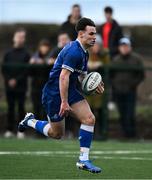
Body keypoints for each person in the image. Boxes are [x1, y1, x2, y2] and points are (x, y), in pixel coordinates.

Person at [18, 18, 104, 173]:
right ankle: (30, 121)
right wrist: (64, 102)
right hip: (54, 94)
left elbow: (81, 77)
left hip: (69, 90)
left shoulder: (84, 53)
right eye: (91, 33)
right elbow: (63, 77)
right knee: (56, 133)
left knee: (89, 119)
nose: (94, 37)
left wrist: (94, 83)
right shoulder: (74, 51)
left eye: (95, 34)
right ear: (81, 34)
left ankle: (83, 160)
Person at [111, 37, 145, 138]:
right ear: (119, 48)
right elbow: (111, 75)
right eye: (122, 46)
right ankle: (125, 135)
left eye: (126, 46)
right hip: (118, 92)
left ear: (130, 47)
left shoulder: (136, 59)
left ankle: (132, 135)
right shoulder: (116, 59)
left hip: (130, 92)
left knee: (130, 114)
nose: (124, 48)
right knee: (122, 114)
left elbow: (141, 75)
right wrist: (115, 85)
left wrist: (132, 85)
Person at [2, 28, 30, 139]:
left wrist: (16, 80)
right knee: (10, 107)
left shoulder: (26, 54)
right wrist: (9, 80)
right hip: (9, 86)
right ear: (14, 38)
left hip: (21, 86)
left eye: (22, 37)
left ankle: (21, 131)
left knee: (21, 107)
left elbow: (26, 71)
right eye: (18, 37)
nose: (20, 39)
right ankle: (9, 129)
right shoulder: (7, 54)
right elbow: (4, 69)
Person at [87, 34, 109, 139]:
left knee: (100, 112)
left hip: (101, 89)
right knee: (89, 112)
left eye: (97, 44)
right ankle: (90, 134)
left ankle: (100, 133)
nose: (95, 47)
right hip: (88, 90)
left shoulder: (104, 54)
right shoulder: (86, 53)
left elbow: (108, 65)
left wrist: (100, 63)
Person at [30, 39, 51, 119]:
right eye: (43, 47)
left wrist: (45, 62)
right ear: (39, 47)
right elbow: (30, 73)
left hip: (46, 87)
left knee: (45, 109)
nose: (44, 49)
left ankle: (46, 129)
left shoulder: (51, 57)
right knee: (36, 107)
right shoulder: (34, 57)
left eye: (46, 47)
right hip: (35, 87)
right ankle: (37, 129)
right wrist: (31, 64)